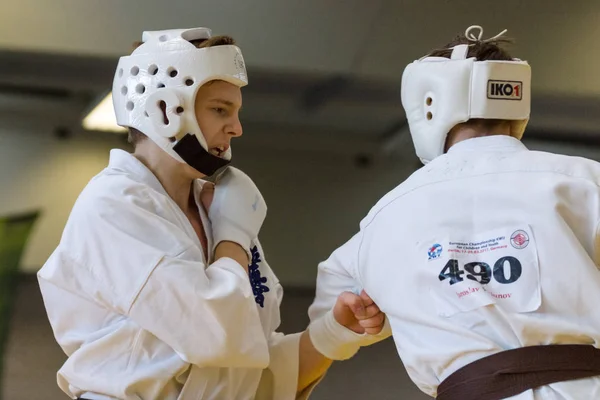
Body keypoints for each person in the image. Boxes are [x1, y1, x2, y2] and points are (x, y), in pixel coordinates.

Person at [37, 27, 388, 400]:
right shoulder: (113, 206)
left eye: (235, 112)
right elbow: (216, 337)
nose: (236, 128)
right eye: (220, 110)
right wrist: (233, 237)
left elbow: (251, 374)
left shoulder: (216, 212)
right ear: (164, 109)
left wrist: (335, 332)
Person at [308, 25, 600, 399]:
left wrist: (364, 320)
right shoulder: (583, 182)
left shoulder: (387, 217)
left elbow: (332, 320)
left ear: (428, 105)